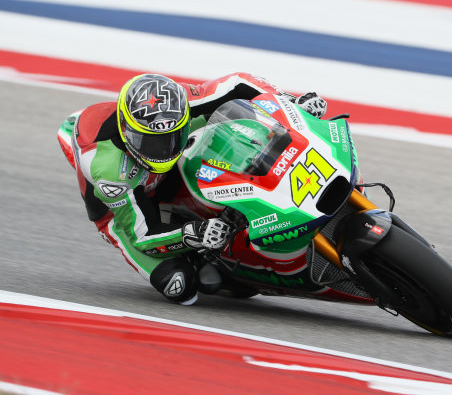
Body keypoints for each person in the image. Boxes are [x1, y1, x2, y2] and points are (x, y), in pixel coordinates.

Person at [61, 72, 327, 305]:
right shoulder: (109, 171)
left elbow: (237, 83)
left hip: (166, 172)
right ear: (127, 132)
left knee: (235, 123)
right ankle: (217, 266)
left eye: (170, 138)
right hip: (124, 215)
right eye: (153, 143)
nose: (164, 150)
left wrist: (289, 104)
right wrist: (195, 233)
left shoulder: (176, 102)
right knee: (182, 288)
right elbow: (142, 236)